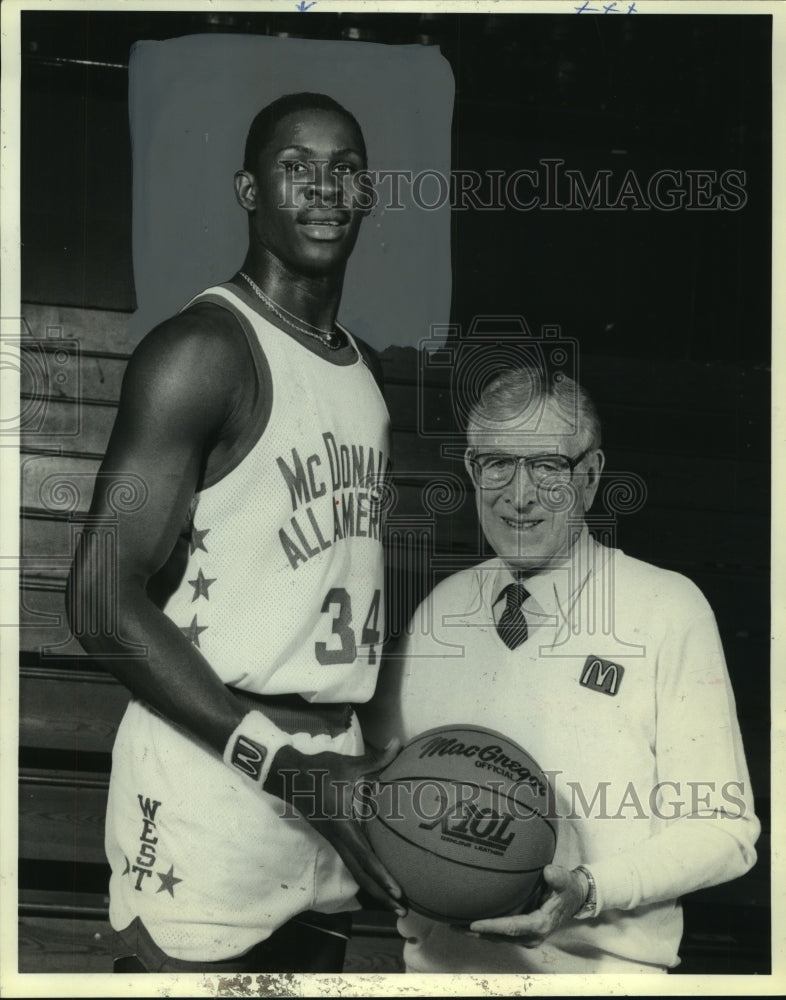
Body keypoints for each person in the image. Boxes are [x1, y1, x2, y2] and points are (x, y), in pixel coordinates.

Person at [67, 92, 405, 974]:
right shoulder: (203, 352)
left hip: (332, 790)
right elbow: (98, 600)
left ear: (369, 195)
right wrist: (288, 769)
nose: (325, 189)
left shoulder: (364, 373)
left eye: (346, 171)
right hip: (214, 788)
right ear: (249, 190)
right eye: (297, 168)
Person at [362, 365, 759, 974]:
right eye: (496, 463)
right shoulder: (436, 612)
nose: (519, 495)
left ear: (592, 475)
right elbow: (387, 795)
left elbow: (726, 832)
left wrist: (589, 888)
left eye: (548, 466)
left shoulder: (666, 609)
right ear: (471, 471)